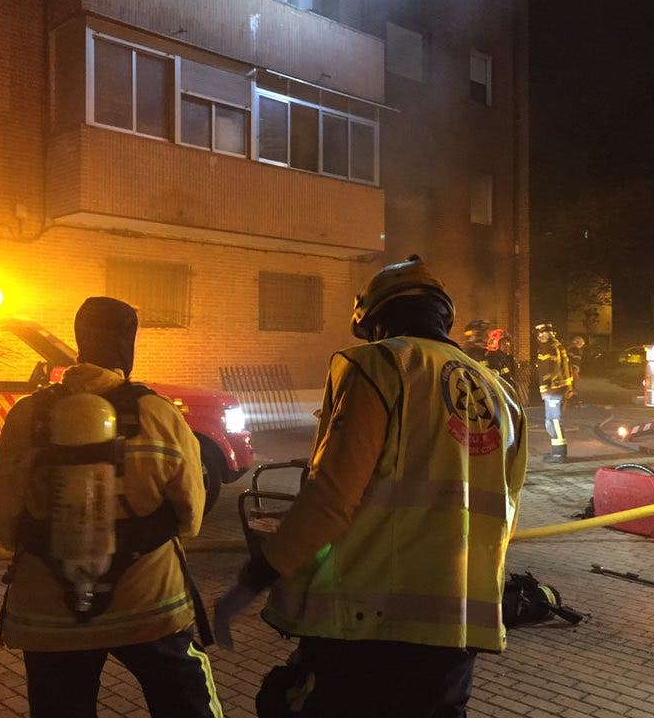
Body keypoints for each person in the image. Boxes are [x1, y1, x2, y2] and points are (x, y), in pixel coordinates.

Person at [214, 255, 527, 717]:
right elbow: (506, 512)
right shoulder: (501, 394)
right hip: (458, 632)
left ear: (375, 321)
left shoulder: (378, 365)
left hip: (367, 627)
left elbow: (331, 497)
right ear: (443, 316)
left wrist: (251, 581)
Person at [0, 296, 222, 718]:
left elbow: (0, 517)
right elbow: (191, 515)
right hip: (149, 606)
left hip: (49, 615)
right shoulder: (158, 413)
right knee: (186, 704)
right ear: (128, 344)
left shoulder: (27, 415)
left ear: (80, 339)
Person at [534, 322, 573, 463]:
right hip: (561, 389)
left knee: (553, 421)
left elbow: (546, 370)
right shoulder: (559, 346)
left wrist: (545, 389)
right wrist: (570, 387)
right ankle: (557, 451)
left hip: (553, 391)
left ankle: (559, 454)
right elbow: (567, 368)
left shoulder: (546, 348)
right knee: (553, 421)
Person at [484, 327, 518, 391]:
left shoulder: (503, 357)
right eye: (504, 343)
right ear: (496, 344)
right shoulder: (492, 358)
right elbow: (497, 379)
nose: (507, 346)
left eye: (508, 343)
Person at [567, 335, 586, 405]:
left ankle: (572, 398)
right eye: (580, 344)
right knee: (572, 384)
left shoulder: (570, 349)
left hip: (571, 369)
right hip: (572, 369)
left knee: (572, 384)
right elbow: (575, 360)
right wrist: (574, 370)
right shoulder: (575, 350)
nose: (581, 346)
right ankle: (573, 399)